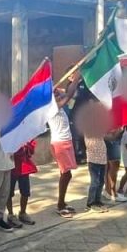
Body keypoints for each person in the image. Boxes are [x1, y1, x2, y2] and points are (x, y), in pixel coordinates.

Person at [48, 80, 80, 218]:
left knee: (66, 174)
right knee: (66, 174)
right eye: (54, 93)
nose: (58, 94)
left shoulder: (59, 108)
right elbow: (69, 95)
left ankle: (62, 202)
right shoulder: (51, 108)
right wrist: (77, 76)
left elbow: (69, 95)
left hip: (66, 142)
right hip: (59, 143)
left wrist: (59, 91)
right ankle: (60, 205)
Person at [7, 141, 36, 227]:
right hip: (11, 165)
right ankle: (10, 215)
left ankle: (23, 213)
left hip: (23, 165)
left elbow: (32, 146)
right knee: (9, 192)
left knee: (25, 191)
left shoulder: (25, 132)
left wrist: (27, 146)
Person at [84, 130, 109, 213]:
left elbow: (108, 137)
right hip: (93, 159)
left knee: (101, 181)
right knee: (95, 182)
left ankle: (98, 201)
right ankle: (91, 203)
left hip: (102, 158)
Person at [104, 130, 126, 203]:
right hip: (112, 137)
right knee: (114, 165)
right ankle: (113, 193)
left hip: (112, 136)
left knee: (109, 166)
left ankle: (108, 191)